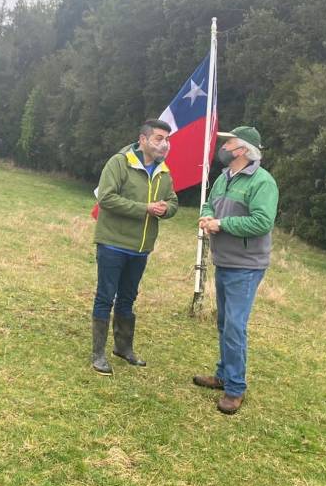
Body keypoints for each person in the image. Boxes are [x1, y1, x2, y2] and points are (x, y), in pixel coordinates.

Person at [194, 126, 279, 415]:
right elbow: (209, 203)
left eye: (228, 143)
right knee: (224, 324)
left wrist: (222, 225)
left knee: (234, 327)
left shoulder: (262, 182)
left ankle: (235, 389)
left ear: (242, 150)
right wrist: (207, 215)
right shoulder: (224, 178)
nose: (224, 147)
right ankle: (223, 374)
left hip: (246, 266)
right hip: (225, 261)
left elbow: (262, 222)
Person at [91, 119, 179, 375]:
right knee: (105, 297)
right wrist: (145, 209)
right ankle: (98, 354)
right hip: (113, 243)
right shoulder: (119, 163)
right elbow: (106, 198)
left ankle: (123, 348)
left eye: (167, 139)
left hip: (141, 248)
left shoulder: (163, 171)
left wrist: (165, 210)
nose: (165, 144)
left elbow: (173, 201)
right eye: (159, 138)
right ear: (143, 139)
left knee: (128, 299)